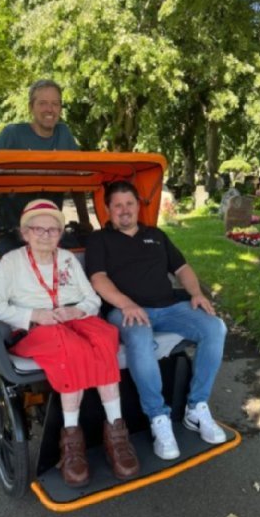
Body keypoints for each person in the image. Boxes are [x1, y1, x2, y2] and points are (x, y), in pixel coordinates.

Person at [0, 198, 139, 487]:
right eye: (38, 229)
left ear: (60, 234)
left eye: (53, 230)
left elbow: (92, 299)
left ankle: (116, 436)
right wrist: (31, 314)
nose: (45, 235)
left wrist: (78, 310)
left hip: (72, 319)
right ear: (25, 233)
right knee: (71, 348)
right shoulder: (12, 262)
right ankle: (72, 441)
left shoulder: (66, 259)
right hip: (35, 329)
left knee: (105, 336)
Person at [85, 180, 227, 461]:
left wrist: (196, 293)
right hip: (126, 311)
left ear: (138, 206)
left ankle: (196, 408)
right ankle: (158, 419)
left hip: (170, 306)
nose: (124, 210)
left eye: (130, 204)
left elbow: (182, 267)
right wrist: (127, 304)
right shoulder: (99, 240)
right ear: (108, 209)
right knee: (139, 338)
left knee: (215, 326)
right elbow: (98, 279)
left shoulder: (157, 235)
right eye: (118, 205)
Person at [0, 79, 91, 255]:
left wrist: (84, 222)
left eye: (55, 104)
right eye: (43, 103)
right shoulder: (12, 134)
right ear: (31, 107)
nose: (49, 109)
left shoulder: (64, 134)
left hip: (49, 232)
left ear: (60, 108)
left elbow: (77, 182)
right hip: (13, 232)